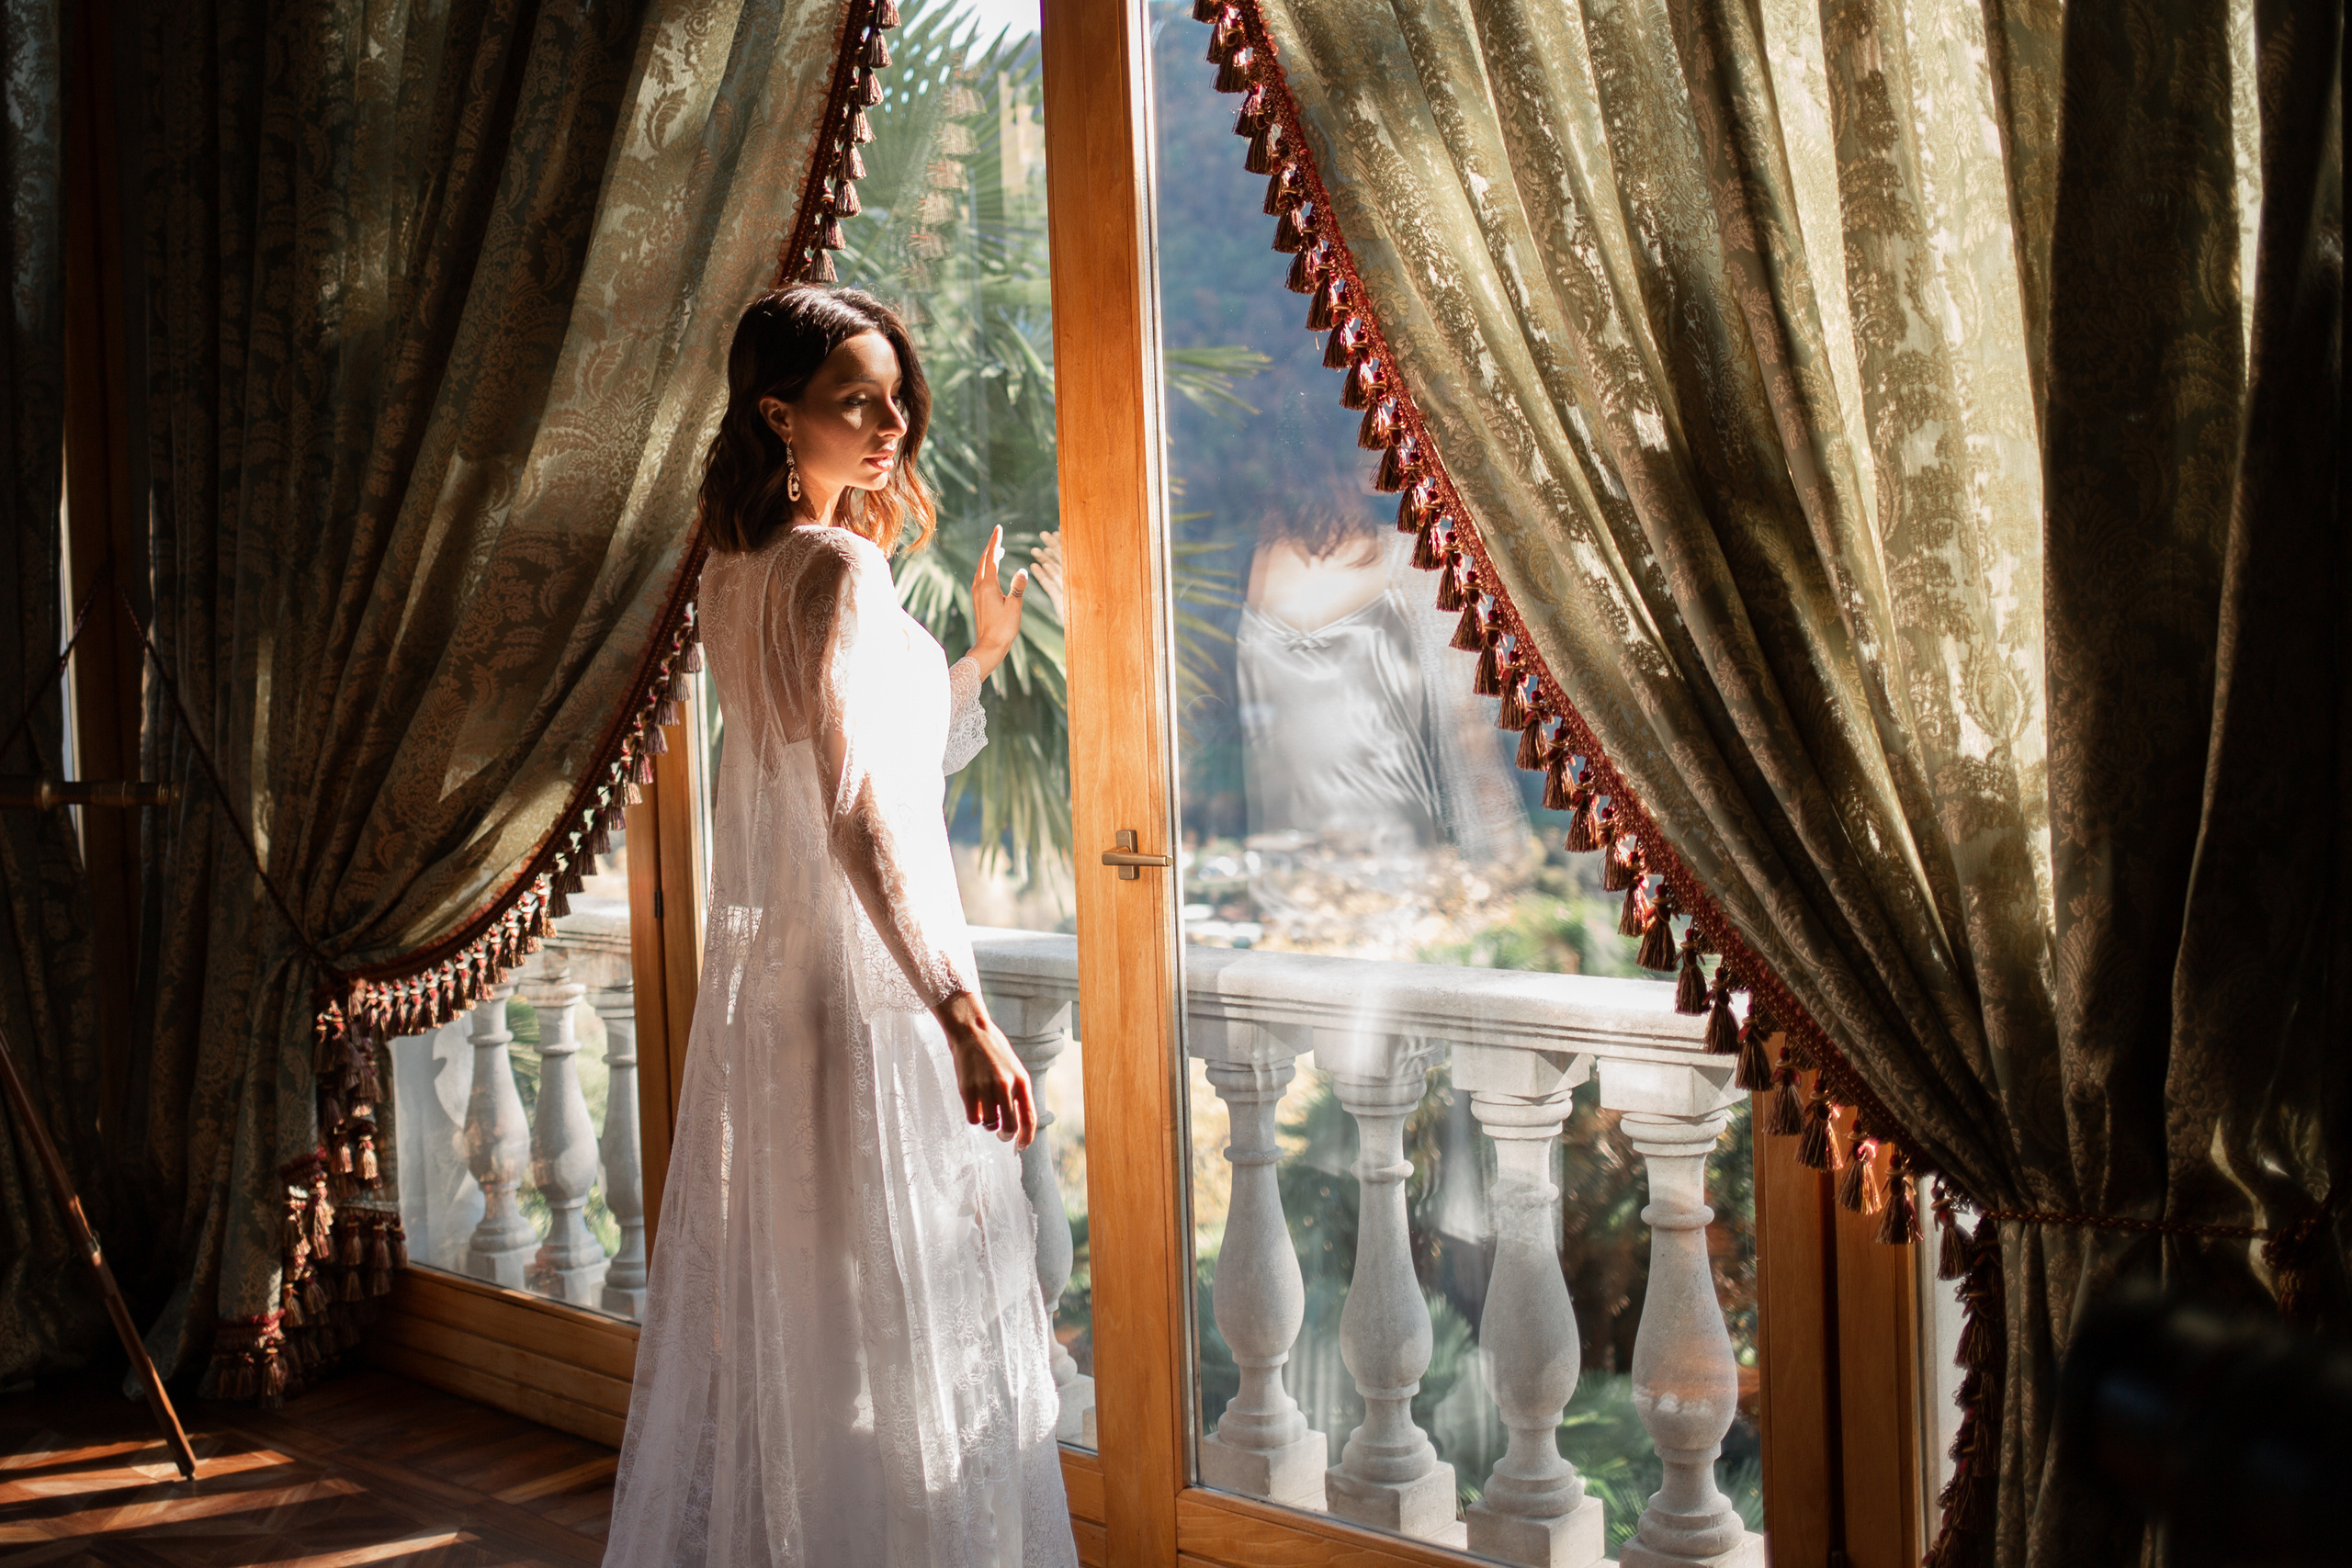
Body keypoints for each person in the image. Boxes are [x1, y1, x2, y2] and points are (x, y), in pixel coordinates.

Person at [604, 285, 1074, 1568]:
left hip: (774, 993)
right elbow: (862, 812)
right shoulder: (840, 564)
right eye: (854, 399)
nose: (891, 421)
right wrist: (962, 1017)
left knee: (817, 1321)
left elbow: (855, 761)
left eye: (894, 395)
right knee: (906, 1329)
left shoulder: (738, 567)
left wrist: (972, 660)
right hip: (866, 992)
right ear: (778, 414)